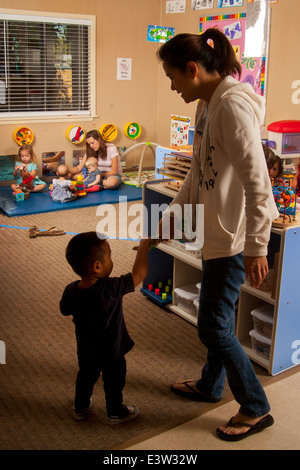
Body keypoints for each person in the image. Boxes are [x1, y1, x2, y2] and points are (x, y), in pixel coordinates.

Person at [157, 29, 278, 441]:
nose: (172, 86)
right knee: (217, 318)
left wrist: (256, 245)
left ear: (193, 70)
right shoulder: (208, 105)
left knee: (212, 327)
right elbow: (197, 172)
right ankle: (211, 386)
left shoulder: (232, 108)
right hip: (215, 233)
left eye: (173, 77)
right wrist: (168, 220)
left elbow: (258, 182)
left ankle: (256, 406)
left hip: (233, 239)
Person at [60, 231, 152, 424]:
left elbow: (64, 310)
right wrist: (143, 247)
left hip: (86, 350)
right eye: (110, 256)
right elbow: (138, 275)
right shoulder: (110, 288)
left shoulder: (71, 289)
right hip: (113, 352)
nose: (112, 259)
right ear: (97, 266)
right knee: (114, 382)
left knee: (85, 377)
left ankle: (80, 407)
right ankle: (115, 412)